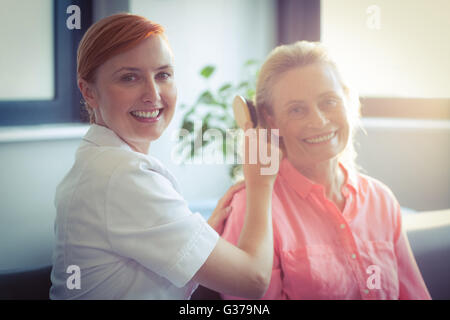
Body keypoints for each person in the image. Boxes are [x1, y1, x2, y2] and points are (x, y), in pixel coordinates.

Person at [50, 13, 280, 299]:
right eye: (129, 77)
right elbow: (253, 282)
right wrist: (260, 184)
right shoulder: (121, 176)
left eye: (163, 75)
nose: (153, 94)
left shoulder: (99, 162)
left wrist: (199, 236)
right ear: (89, 92)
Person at [219, 41, 431, 300]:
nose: (318, 120)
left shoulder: (381, 199)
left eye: (329, 102)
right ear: (270, 119)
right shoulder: (251, 209)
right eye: (297, 109)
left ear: (348, 100)